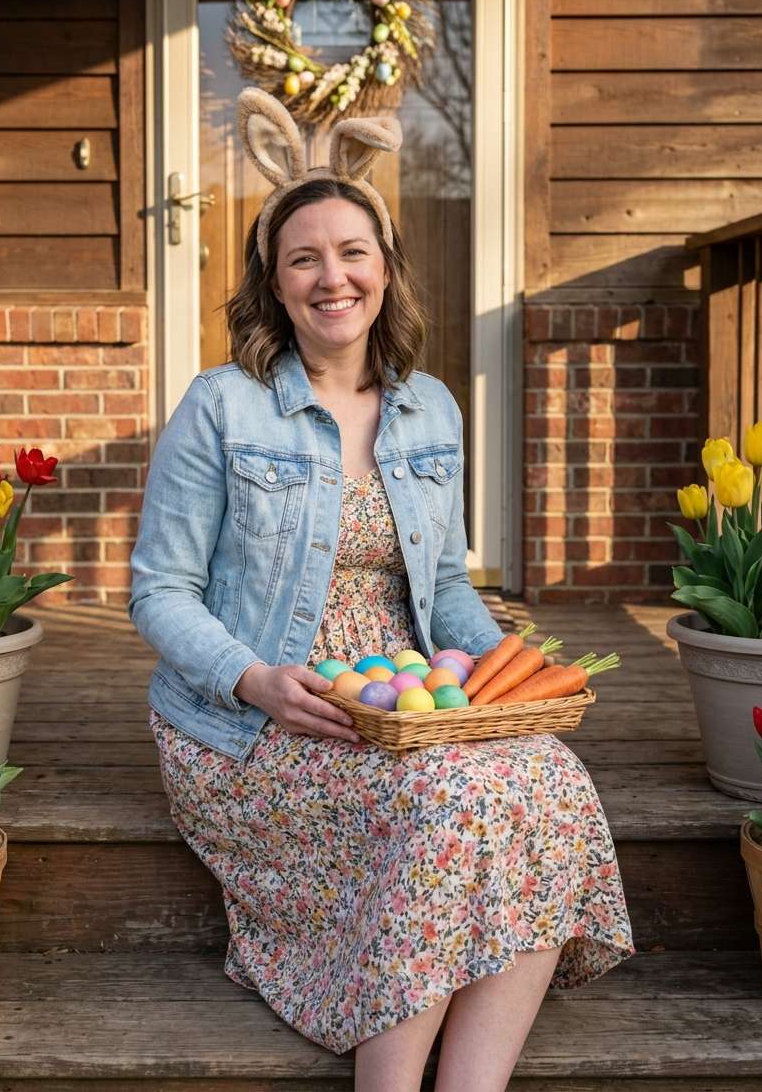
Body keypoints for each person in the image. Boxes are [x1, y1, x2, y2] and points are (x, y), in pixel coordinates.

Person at [129, 88, 633, 1092]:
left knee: (550, 780)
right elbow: (159, 592)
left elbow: (441, 585)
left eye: (352, 252)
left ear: (386, 267)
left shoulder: (429, 409)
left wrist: (507, 679)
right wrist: (255, 681)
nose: (333, 277)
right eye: (303, 259)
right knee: (451, 801)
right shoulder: (222, 407)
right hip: (257, 723)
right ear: (274, 286)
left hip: (404, 701)